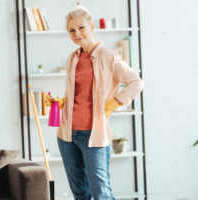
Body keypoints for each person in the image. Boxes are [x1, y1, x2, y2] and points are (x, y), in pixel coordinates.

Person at [45, 6, 144, 200]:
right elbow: (79, 94)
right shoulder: (72, 58)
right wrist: (62, 101)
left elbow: (136, 82)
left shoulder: (109, 56)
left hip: (94, 135)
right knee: (80, 194)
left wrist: (113, 104)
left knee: (101, 194)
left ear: (91, 27)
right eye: (71, 30)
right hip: (66, 135)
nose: (77, 34)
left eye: (81, 28)